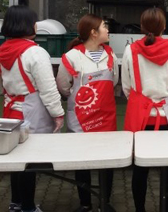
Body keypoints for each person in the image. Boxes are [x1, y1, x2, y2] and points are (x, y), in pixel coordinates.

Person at [0, 5, 65, 212]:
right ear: (27, 25)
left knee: (15, 160)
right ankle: (27, 207)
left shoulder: (3, 51)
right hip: (30, 112)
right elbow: (48, 87)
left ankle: (15, 202)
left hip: (11, 111)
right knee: (29, 162)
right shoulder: (35, 52)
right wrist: (58, 114)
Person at [122, 7, 168, 212]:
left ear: (141, 27)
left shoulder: (130, 50)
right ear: (164, 26)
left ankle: (140, 209)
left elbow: (126, 87)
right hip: (167, 117)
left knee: (140, 170)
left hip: (140, 119)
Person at [56, 14, 119, 212]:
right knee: (82, 164)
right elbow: (63, 86)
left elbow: (114, 81)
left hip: (106, 119)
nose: (107, 29)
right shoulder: (72, 57)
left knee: (107, 164)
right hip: (80, 121)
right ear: (93, 33)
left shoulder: (111, 55)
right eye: (104, 26)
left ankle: (104, 202)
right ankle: (85, 204)